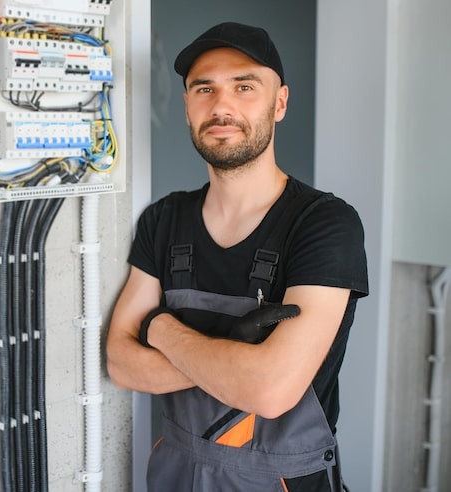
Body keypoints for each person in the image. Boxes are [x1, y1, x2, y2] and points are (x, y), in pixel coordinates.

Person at [106, 22, 368, 491]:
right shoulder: (163, 219)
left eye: (244, 86)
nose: (221, 106)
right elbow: (122, 363)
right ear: (187, 107)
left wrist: (160, 328)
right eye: (203, 89)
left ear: (280, 102)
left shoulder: (324, 223)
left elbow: (270, 391)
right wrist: (236, 357)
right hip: (175, 475)